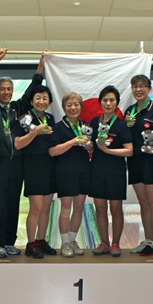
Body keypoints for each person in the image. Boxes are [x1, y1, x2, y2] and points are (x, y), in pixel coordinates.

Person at [0, 47, 45, 259]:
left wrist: (42, 64)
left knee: (13, 203)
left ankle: (9, 242)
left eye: (9, 89)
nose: (6, 92)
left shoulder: (17, 108)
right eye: (3, 89)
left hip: (17, 163)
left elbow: (32, 89)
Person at [124, 75, 153, 256]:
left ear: (149, 89)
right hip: (134, 161)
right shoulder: (130, 111)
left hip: (151, 161)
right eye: (135, 86)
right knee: (143, 203)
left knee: (152, 203)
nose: (138, 90)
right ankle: (148, 240)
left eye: (142, 86)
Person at [13, 85, 57, 259]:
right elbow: (17, 143)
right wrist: (35, 132)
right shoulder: (25, 118)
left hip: (49, 165)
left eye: (45, 98)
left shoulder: (50, 118)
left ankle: (41, 240)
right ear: (31, 101)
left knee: (46, 207)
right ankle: (31, 243)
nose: (41, 101)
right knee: (36, 208)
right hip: (32, 166)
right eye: (38, 98)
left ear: (49, 102)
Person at [89, 85, 133, 257]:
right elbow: (93, 144)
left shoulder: (121, 125)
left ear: (116, 103)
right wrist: (90, 146)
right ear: (100, 102)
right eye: (105, 100)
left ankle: (115, 243)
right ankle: (104, 242)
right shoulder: (94, 122)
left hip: (116, 171)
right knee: (100, 208)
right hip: (97, 170)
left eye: (112, 100)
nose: (108, 103)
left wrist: (109, 151)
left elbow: (129, 150)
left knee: (115, 208)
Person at [48, 92, 92, 257]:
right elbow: (52, 151)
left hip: (82, 170)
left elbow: (90, 148)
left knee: (79, 208)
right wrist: (73, 142)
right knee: (66, 208)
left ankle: (73, 240)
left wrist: (89, 146)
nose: (73, 108)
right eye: (69, 105)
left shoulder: (85, 125)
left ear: (80, 107)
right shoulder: (58, 128)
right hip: (65, 172)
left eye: (76, 105)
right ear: (64, 107)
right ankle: (64, 243)